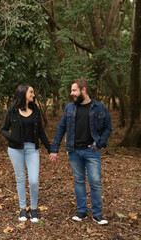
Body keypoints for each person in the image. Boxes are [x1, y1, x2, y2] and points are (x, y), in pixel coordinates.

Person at [50, 78, 112, 225]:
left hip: (92, 152)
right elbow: (61, 128)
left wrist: (99, 143)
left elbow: (107, 127)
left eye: (74, 90)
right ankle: (82, 211)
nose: (72, 93)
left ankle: (97, 214)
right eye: (72, 90)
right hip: (74, 152)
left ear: (83, 90)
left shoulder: (99, 107)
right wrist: (54, 149)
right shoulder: (69, 108)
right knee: (79, 181)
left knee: (95, 182)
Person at [1, 83, 50, 222]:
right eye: (31, 92)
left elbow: (40, 131)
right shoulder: (12, 111)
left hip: (32, 149)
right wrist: (12, 137)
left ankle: (33, 209)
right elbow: (3, 129)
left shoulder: (35, 111)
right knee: (21, 178)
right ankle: (23, 209)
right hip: (15, 150)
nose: (33, 95)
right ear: (23, 94)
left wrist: (49, 148)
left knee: (34, 181)